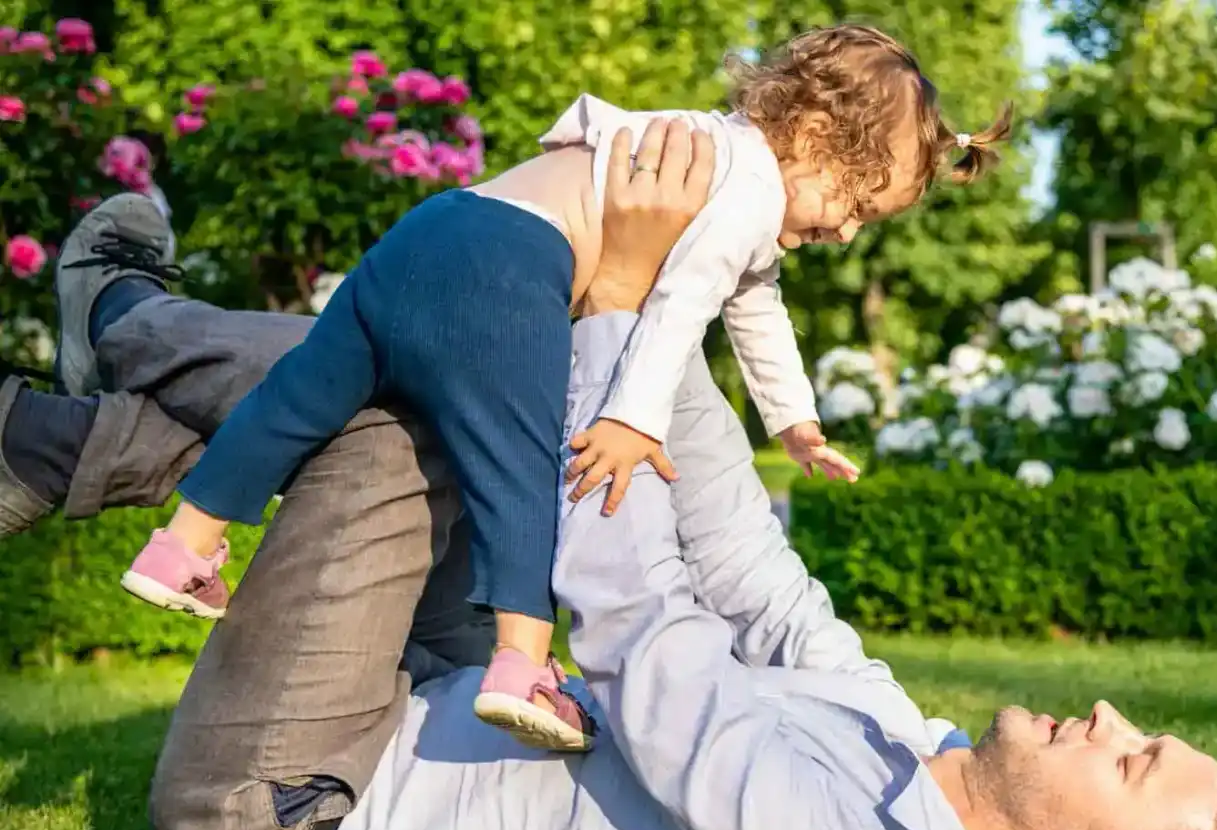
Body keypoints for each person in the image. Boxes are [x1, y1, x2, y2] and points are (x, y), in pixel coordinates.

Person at [2, 135, 1217, 830]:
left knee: (422, 402)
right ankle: (90, 369)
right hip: (409, 686)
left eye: (1135, 758)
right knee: (483, 373)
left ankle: (94, 366)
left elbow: (632, 619)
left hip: (292, 813)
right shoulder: (899, 734)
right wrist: (669, 303)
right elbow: (742, 564)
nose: (1109, 713)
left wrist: (610, 296)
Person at [115, 25, 1012, 753]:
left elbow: (756, 308)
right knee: (519, 471)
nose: (848, 233)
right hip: (513, 270)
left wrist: (796, 423)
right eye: (853, 204)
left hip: (438, 225)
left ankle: (182, 544)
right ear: (815, 140)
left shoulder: (718, 149)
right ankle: (523, 665)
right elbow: (679, 310)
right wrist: (627, 420)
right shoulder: (741, 192)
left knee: (296, 401)